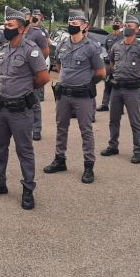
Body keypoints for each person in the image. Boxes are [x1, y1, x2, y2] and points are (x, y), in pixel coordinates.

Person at [0, 6, 50, 210]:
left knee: (24, 151)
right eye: (5, 25)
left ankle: (28, 188)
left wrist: (25, 89)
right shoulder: (2, 49)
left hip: (20, 110)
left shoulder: (31, 50)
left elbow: (43, 77)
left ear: (20, 28)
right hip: (0, 109)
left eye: (9, 25)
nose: (5, 28)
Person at [44, 10, 105, 183]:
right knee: (61, 128)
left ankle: (88, 166)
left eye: (75, 24)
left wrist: (87, 83)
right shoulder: (63, 44)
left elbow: (101, 72)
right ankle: (60, 160)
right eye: (70, 23)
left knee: (85, 130)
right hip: (63, 94)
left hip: (82, 95)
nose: (72, 26)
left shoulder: (91, 47)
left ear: (85, 26)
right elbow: (59, 64)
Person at [100, 15, 140, 164]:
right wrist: (117, 73)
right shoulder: (116, 46)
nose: (127, 28)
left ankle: (138, 150)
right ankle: (113, 146)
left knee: (134, 121)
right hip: (117, 88)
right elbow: (111, 61)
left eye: (131, 26)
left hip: (132, 89)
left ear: (136, 30)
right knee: (113, 120)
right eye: (126, 25)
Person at [23, 8, 50, 141]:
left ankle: (37, 129)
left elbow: (45, 50)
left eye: (27, 15)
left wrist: (37, 64)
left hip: (33, 71)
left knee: (34, 101)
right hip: (20, 71)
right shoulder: (18, 32)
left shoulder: (38, 33)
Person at [97, 16, 124, 112]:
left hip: (119, 64)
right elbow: (105, 49)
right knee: (107, 83)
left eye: (117, 23)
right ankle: (105, 104)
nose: (115, 25)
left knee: (119, 84)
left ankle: (120, 107)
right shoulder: (109, 37)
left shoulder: (124, 37)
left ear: (121, 25)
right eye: (114, 23)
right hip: (108, 64)